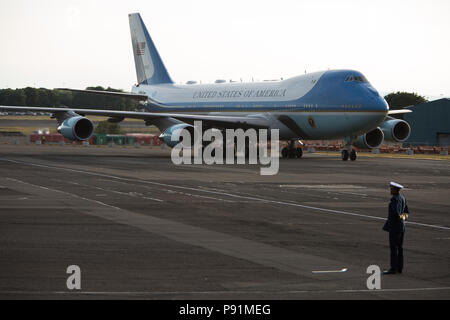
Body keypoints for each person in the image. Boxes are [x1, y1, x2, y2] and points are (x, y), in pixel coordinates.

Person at [383, 182, 409, 275]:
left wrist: (396, 221)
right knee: (399, 247)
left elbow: (396, 213)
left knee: (393, 247)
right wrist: (402, 222)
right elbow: (406, 213)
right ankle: (399, 267)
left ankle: (393, 268)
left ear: (395, 190)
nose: (390, 190)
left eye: (392, 189)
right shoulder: (402, 198)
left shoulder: (394, 199)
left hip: (395, 227)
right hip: (401, 227)